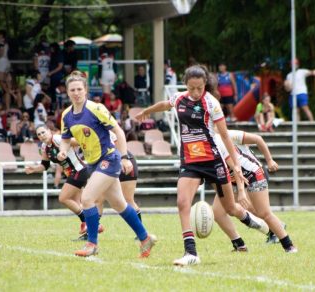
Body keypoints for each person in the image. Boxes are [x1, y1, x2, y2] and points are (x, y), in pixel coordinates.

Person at [136, 65, 265, 266]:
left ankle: (255, 224)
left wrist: (236, 166)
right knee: (182, 203)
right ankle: (191, 253)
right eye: (191, 88)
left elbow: (224, 135)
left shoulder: (211, 103)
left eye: (199, 88)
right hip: (190, 161)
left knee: (231, 208)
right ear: (186, 84)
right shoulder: (179, 98)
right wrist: (147, 111)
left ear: (205, 84)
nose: (195, 92)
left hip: (213, 161)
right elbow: (165, 104)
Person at [57, 71, 156, 257]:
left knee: (87, 198)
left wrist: (125, 157)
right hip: (93, 162)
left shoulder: (96, 108)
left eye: (79, 89)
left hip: (109, 158)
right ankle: (145, 238)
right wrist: (63, 150)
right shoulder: (66, 116)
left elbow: (118, 132)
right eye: (72, 90)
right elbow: (65, 138)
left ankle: (92, 244)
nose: (76, 92)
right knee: (119, 204)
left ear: (85, 90)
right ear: (67, 93)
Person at [213, 129, 298, 253]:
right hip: (231, 179)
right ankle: (239, 245)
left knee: (263, 213)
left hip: (252, 173)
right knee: (218, 212)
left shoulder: (222, 138)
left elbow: (256, 141)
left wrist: (269, 160)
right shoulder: (200, 144)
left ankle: (289, 246)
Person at [25, 125, 105, 238]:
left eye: (43, 132)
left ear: (49, 131)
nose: (41, 136)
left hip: (79, 170)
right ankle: (93, 227)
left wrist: (68, 150)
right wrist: (34, 169)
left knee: (63, 198)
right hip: (71, 173)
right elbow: (45, 165)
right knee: (78, 203)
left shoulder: (58, 139)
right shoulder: (44, 147)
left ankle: (87, 222)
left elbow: (78, 142)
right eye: (39, 134)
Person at [0, 30, 11, 109]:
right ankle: (7, 102)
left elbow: (1, 52)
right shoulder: (5, 43)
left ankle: (10, 93)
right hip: (6, 62)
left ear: (1, 35)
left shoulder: (1, 43)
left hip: (2, 62)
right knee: (5, 82)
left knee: (1, 81)